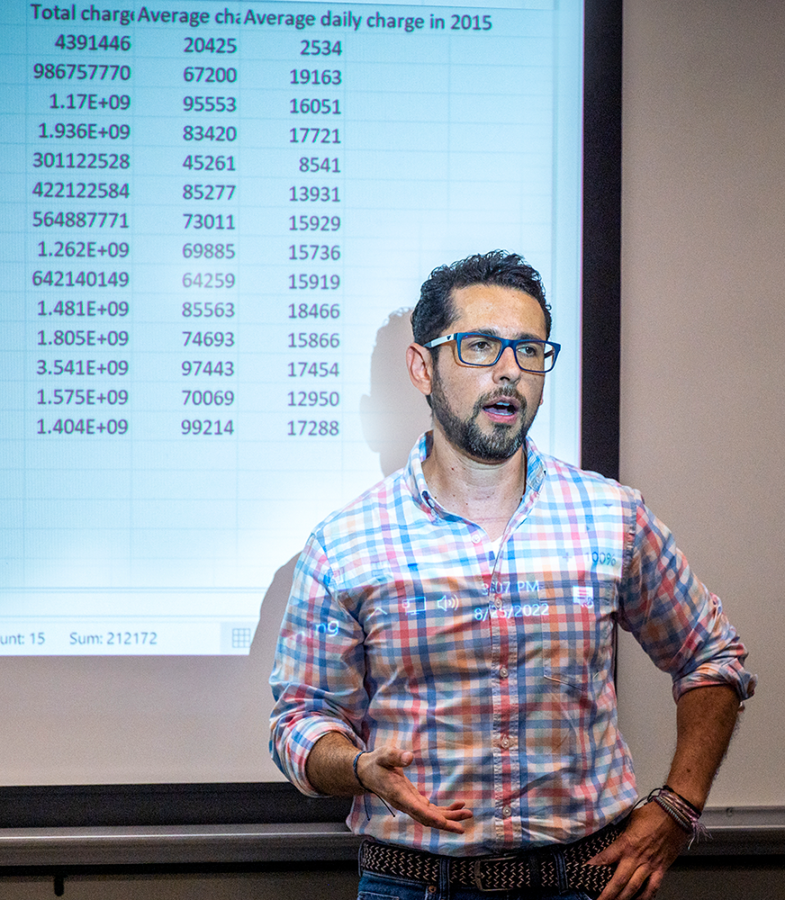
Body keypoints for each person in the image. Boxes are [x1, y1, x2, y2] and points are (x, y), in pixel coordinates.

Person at [270, 251, 755, 900]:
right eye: (480, 347)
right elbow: (301, 719)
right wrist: (359, 768)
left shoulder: (609, 518)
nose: (508, 371)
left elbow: (711, 656)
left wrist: (679, 805)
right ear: (422, 367)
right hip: (411, 883)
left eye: (528, 351)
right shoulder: (345, 544)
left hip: (583, 882)